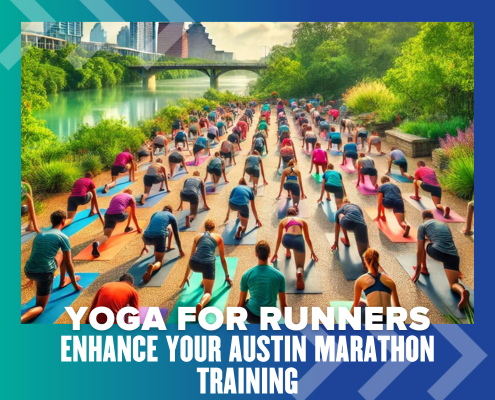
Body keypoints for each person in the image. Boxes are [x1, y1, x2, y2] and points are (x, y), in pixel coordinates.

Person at [21, 211, 82, 323]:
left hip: (29, 270)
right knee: (40, 307)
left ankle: (63, 281)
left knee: (60, 255)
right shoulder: (63, 237)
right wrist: (75, 285)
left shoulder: (40, 235)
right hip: (44, 273)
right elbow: (68, 263)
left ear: (52, 222)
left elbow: (36, 255)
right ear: (63, 221)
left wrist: (31, 277)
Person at [413, 210, 470, 310]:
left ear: (423, 218)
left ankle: (424, 269)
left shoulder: (423, 226)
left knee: (424, 243)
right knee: (453, 284)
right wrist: (457, 269)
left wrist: (417, 270)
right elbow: (448, 242)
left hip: (437, 251)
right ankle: (462, 292)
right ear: (432, 216)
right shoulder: (444, 225)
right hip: (453, 256)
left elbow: (419, 250)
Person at [180, 220, 233, 315]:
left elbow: (191, 256)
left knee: (201, 261)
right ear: (214, 229)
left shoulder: (197, 237)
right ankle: (201, 304)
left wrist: (186, 276)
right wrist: (227, 276)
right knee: (208, 292)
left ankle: (204, 280)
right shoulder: (218, 238)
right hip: (207, 264)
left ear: (204, 228)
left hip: (194, 263)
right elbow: (222, 259)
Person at [237, 241, 288, 324]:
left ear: (256, 254)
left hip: (251, 316)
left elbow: (240, 303)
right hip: (270, 318)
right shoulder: (279, 276)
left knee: (244, 302)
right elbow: (283, 305)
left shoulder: (247, 275)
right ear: (269, 254)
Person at [271, 208, 318, 290]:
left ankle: (288, 250)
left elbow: (279, 239)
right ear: (296, 214)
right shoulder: (302, 221)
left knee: (288, 241)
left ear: (287, 214)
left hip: (286, 240)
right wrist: (312, 252)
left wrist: (275, 253)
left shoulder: (283, 221)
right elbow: (307, 238)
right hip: (298, 241)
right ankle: (299, 273)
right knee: (300, 266)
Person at [351, 249, 400, 324]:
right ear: (378, 260)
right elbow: (398, 308)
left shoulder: (360, 280)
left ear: (365, 261)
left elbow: (355, 305)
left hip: (370, 318)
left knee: (360, 303)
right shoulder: (390, 281)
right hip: (387, 320)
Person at [141, 206, 185, 283]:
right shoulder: (171, 216)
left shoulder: (155, 213)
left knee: (163, 231)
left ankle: (163, 247)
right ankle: (153, 267)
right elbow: (176, 236)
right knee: (159, 261)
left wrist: (144, 247)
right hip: (159, 237)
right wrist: (180, 250)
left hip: (146, 237)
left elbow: (151, 227)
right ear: (171, 212)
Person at [92, 190, 142, 258]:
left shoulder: (116, 196)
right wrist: (138, 228)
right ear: (130, 193)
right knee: (130, 209)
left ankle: (97, 243)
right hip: (119, 215)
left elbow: (112, 207)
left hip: (108, 215)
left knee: (106, 235)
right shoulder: (131, 197)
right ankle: (127, 227)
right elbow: (134, 215)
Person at [332, 199, 370, 268]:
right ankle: (366, 265)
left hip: (348, 222)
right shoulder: (357, 206)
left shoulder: (341, 209)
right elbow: (362, 221)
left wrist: (336, 243)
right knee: (363, 252)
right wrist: (367, 245)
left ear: (343, 204)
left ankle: (346, 240)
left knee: (339, 215)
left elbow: (337, 228)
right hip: (361, 226)